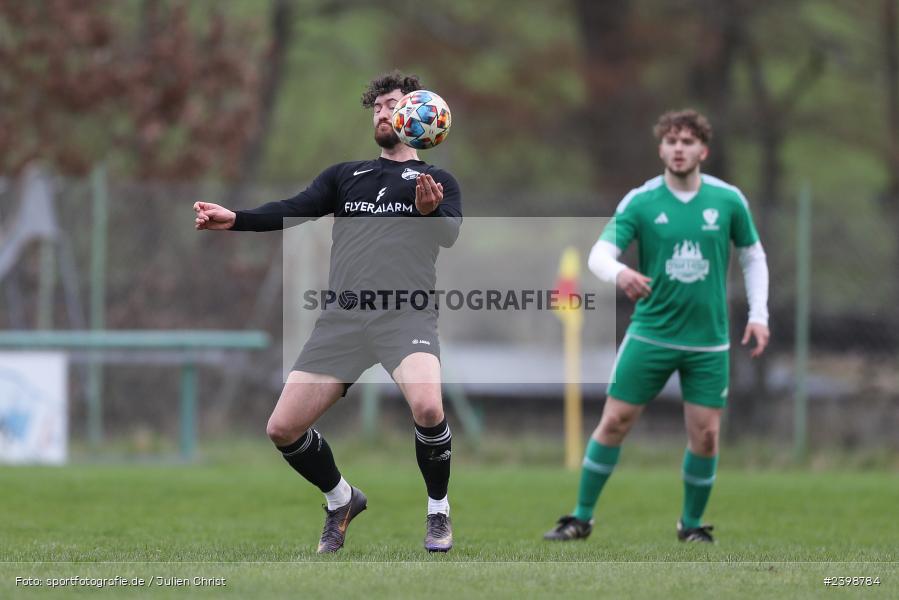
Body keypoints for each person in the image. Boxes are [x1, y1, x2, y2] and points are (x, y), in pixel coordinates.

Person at [193, 71, 462, 553]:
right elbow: (291, 208)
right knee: (282, 428)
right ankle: (341, 499)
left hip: (406, 315)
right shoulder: (345, 175)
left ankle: (438, 511)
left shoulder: (437, 181)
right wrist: (235, 219)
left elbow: (448, 235)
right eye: (377, 106)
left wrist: (429, 212)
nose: (382, 112)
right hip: (344, 319)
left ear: (418, 113)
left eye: (393, 104)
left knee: (427, 406)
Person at [544, 109, 769, 543]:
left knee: (706, 435)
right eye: (671, 141)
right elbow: (599, 255)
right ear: (661, 148)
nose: (678, 149)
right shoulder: (642, 201)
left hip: (708, 340)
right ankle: (580, 518)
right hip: (651, 333)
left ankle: (692, 526)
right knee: (615, 422)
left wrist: (759, 314)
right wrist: (620, 274)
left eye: (687, 142)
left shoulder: (727, 200)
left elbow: (753, 256)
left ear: (703, 149)